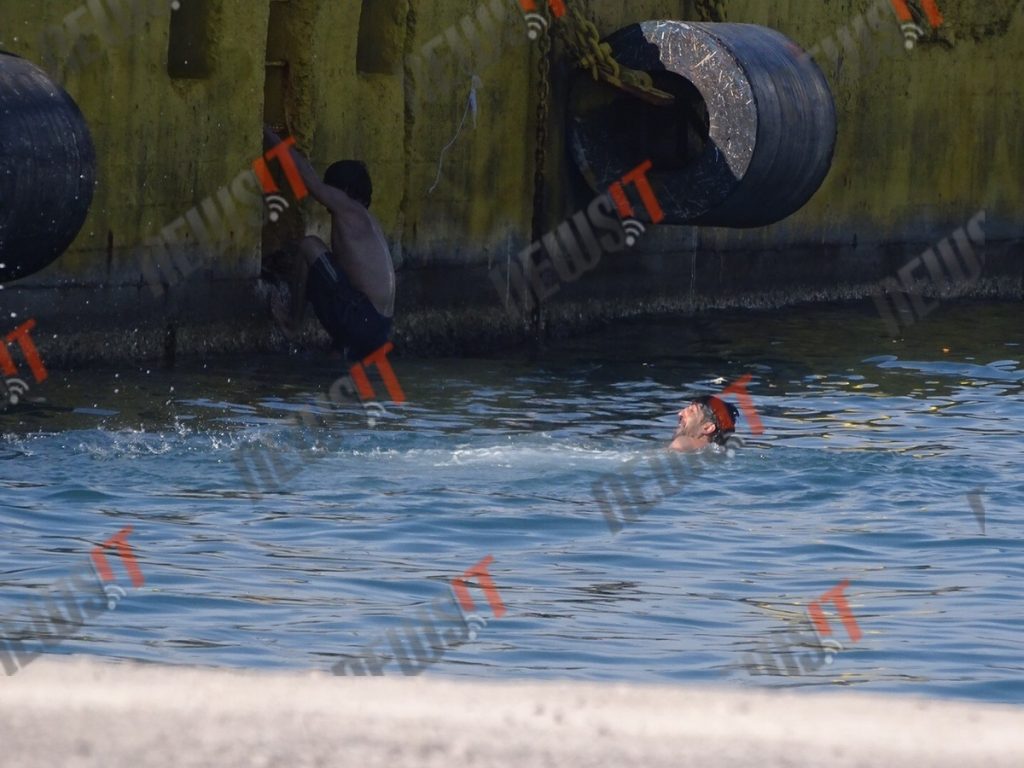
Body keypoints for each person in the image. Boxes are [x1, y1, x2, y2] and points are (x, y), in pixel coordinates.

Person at [262, 126, 395, 362]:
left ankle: (293, 323)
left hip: (361, 318)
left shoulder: (348, 207)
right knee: (332, 369)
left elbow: (308, 179)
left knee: (309, 245)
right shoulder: (367, 222)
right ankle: (338, 355)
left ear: (343, 190)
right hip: (379, 329)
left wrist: (272, 138)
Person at [668, 395, 740, 452]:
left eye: (692, 411)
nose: (679, 413)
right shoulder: (719, 452)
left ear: (708, 428)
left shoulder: (682, 443)